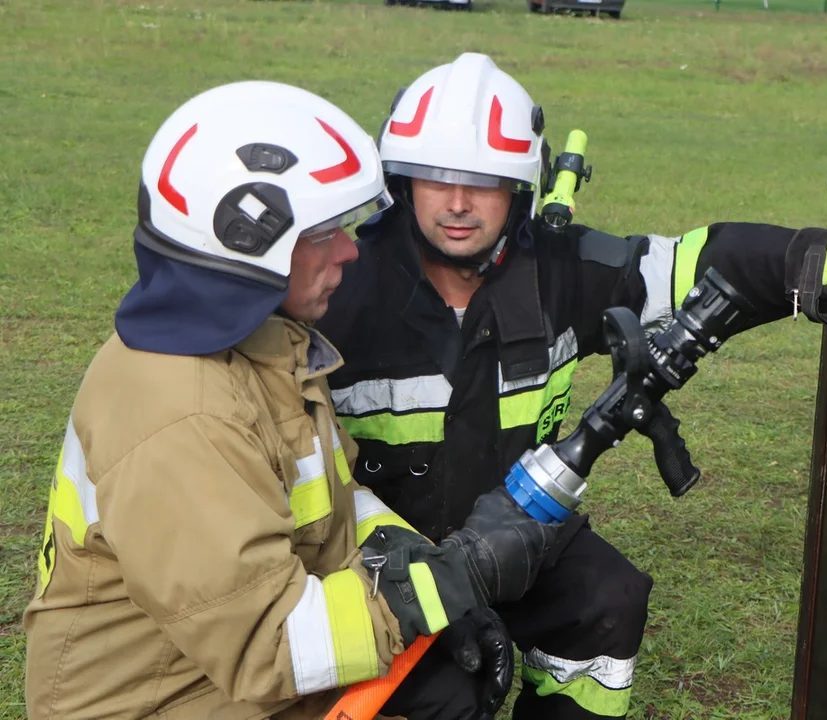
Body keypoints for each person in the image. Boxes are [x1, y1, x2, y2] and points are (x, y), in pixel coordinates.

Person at [314, 52, 827, 720]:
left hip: (518, 530)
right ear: (400, 182)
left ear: (522, 186)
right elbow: (290, 479)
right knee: (448, 694)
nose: (459, 204)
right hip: (379, 555)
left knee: (607, 600)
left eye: (484, 181)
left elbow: (716, 261)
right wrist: (428, 586)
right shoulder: (336, 292)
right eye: (437, 179)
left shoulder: (556, 270)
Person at [23, 80, 559, 720]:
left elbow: (327, 500)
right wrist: (450, 582)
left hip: (204, 666)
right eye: (324, 232)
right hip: (155, 697)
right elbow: (270, 645)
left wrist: (411, 556)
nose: (349, 250)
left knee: (445, 685)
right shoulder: (179, 413)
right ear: (246, 242)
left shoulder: (264, 345)